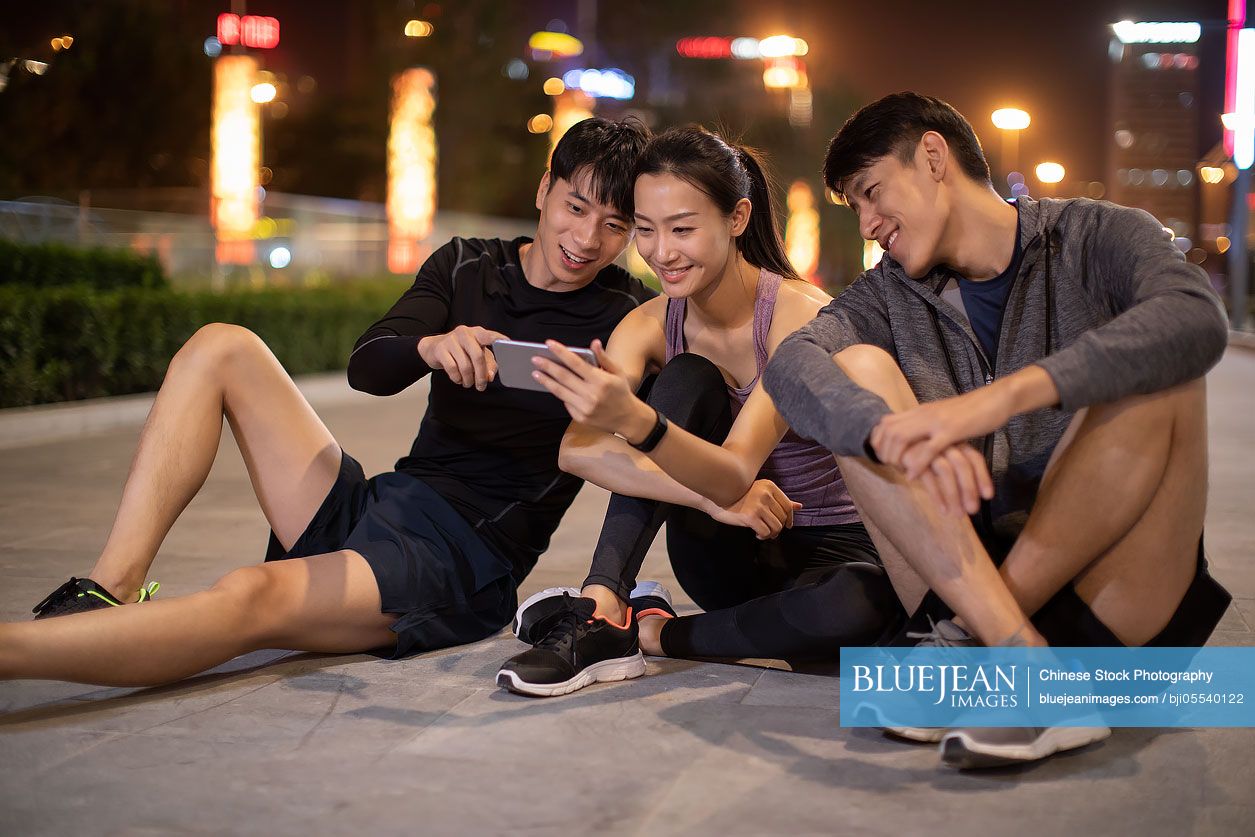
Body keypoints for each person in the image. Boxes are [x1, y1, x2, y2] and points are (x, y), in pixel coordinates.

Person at [3, 117, 655, 687]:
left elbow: (652, 460)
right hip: (385, 502)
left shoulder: (624, 317)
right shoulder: (467, 266)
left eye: (613, 224)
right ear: (544, 191)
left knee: (250, 594)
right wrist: (430, 346)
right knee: (221, 344)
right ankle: (109, 588)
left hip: (458, 559)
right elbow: (366, 367)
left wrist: (609, 572)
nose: (587, 238)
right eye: (575, 207)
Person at [760, 92, 1232, 768]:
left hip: (1108, 597)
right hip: (961, 586)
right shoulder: (887, 293)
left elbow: (1196, 317)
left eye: (870, 192)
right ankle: (1021, 663)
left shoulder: (1098, 236)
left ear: (931, 157)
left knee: (1158, 359)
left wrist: (994, 403)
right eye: (854, 208)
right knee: (854, 374)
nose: (866, 224)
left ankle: (986, 654)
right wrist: (877, 429)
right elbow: (789, 365)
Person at [496, 127, 904, 699]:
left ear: (737, 218)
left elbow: (738, 467)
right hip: (723, 550)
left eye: (683, 229)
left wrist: (691, 463)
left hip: (831, 551)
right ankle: (604, 606)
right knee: (688, 378)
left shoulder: (799, 317)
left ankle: (661, 634)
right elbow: (577, 447)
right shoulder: (649, 324)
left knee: (857, 609)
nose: (661, 252)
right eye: (644, 229)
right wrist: (712, 501)